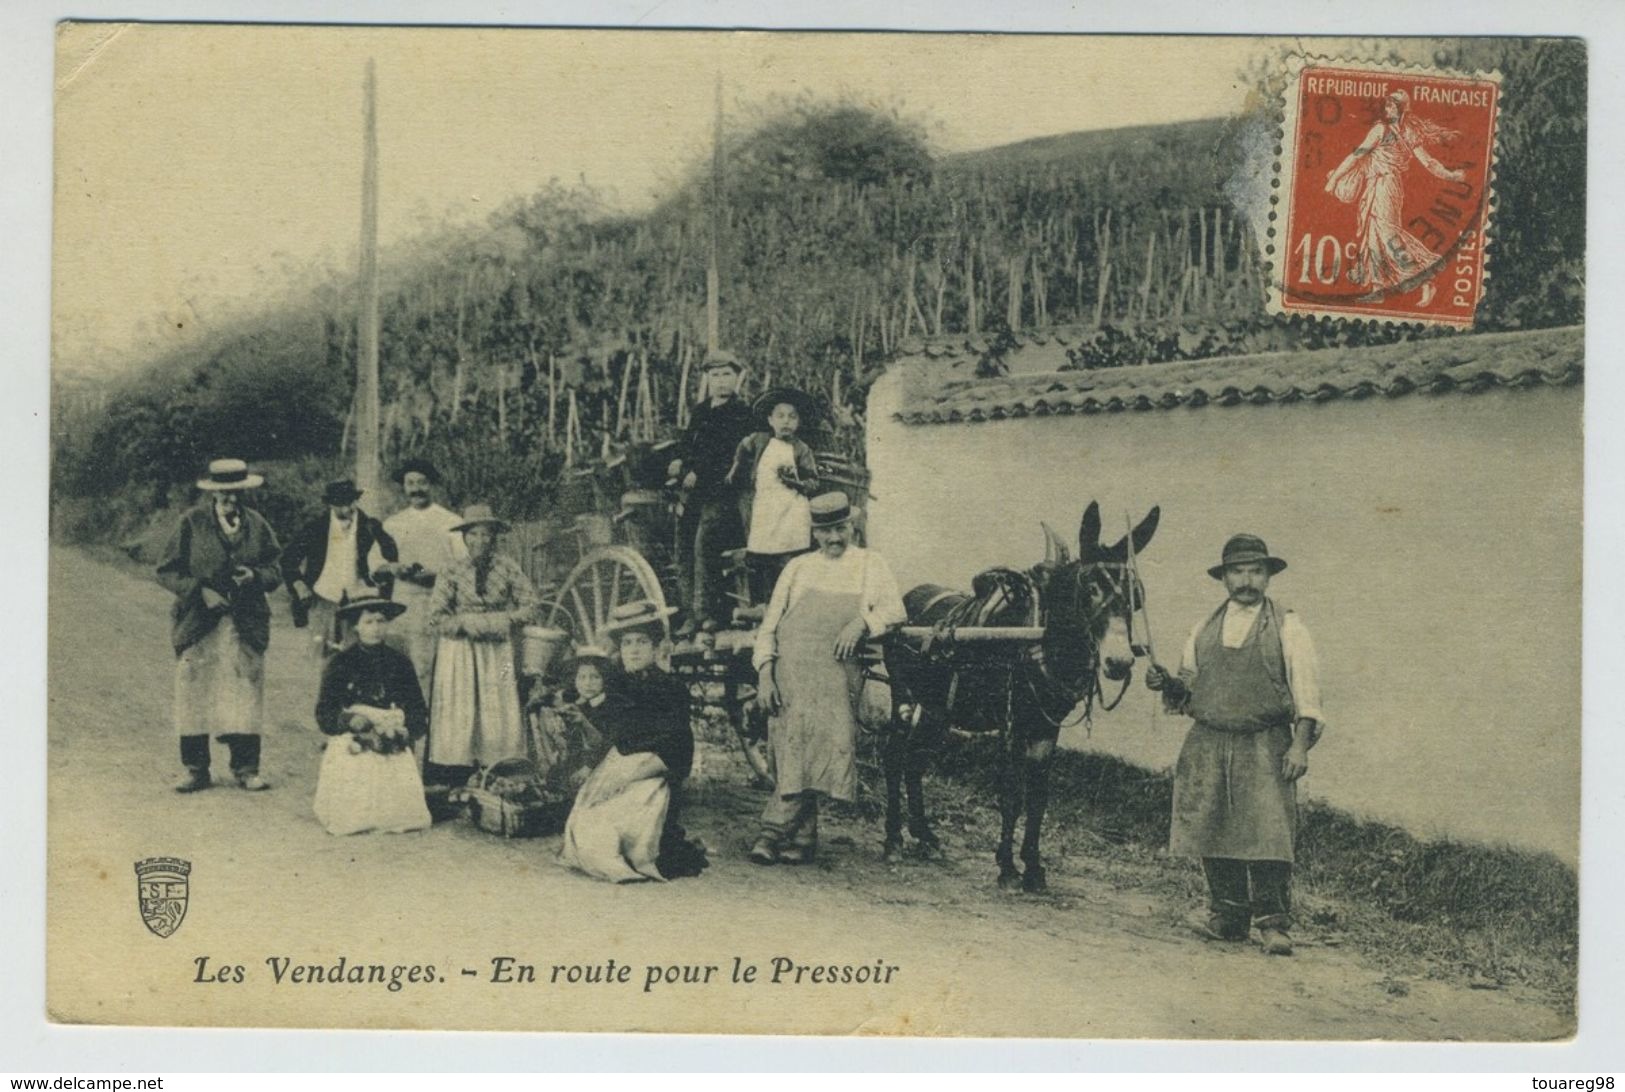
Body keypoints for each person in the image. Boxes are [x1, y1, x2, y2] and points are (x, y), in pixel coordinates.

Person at [1144, 533, 1325, 957]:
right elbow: (1188, 690)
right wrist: (1166, 683)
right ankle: (1227, 917)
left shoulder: (1288, 627)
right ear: (1224, 577)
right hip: (1209, 740)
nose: (1247, 580)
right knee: (1213, 825)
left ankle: (1273, 925)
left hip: (1265, 742)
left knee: (1268, 833)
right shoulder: (1203, 628)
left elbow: (1308, 694)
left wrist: (1298, 748)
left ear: (1268, 575)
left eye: (1256, 571)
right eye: (1238, 571)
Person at [749, 493, 906, 865]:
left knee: (819, 749)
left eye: (841, 528)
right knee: (791, 751)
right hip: (790, 675)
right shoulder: (798, 568)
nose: (835, 538)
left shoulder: (871, 564)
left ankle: (772, 832)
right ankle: (801, 837)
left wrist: (862, 622)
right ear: (814, 533)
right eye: (826, 531)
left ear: (852, 526)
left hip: (835, 676)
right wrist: (764, 674)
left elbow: (895, 610)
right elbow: (769, 626)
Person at [155, 458, 284, 793]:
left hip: (245, 624)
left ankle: (246, 768)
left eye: (236, 493)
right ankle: (196, 769)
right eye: (224, 494)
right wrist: (201, 592)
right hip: (199, 624)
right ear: (213, 494)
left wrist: (255, 576)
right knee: (195, 690)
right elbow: (167, 570)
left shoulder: (257, 525)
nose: (230, 499)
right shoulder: (191, 523)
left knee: (245, 691)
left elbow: (276, 567)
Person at [559, 602, 707, 882]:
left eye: (641, 642)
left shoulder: (671, 689)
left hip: (655, 772)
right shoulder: (616, 686)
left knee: (626, 824)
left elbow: (676, 748)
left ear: (655, 648)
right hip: (619, 763)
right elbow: (609, 735)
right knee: (586, 821)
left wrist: (629, 775)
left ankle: (635, 854)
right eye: (627, 643)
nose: (634, 650)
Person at [425, 504, 537, 787]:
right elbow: (436, 616)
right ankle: (456, 773)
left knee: (501, 698)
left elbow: (531, 605)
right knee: (459, 703)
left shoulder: (508, 567)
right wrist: (465, 623)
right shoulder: (452, 569)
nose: (480, 541)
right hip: (459, 651)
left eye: (486, 535)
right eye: (473, 534)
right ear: (464, 537)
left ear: (494, 537)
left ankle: (497, 768)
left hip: (499, 651)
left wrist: (502, 620)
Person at [1324, 89, 1468, 293]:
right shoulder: (1399, 131)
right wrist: (1452, 176)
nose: (1387, 108)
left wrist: (1335, 179)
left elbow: (1357, 156)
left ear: (1401, 109)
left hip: (1386, 186)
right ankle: (1377, 285)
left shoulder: (1386, 131)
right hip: (1378, 186)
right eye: (1387, 105)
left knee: (1387, 234)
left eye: (1392, 105)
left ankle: (1421, 278)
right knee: (1372, 232)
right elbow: (1358, 156)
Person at [311, 594, 432, 835]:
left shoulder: (400, 663)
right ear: (356, 626)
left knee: (404, 814)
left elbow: (417, 708)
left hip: (391, 737)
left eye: (381, 621)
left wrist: (408, 729)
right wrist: (348, 720)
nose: (376, 628)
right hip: (355, 738)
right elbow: (325, 711)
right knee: (352, 811)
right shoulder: (341, 663)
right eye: (368, 622)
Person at [667, 349, 757, 636]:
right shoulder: (701, 411)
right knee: (682, 546)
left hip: (724, 495)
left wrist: (699, 473)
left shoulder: (742, 413)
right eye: (715, 375)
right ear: (707, 378)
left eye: (726, 375)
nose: (720, 381)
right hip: (695, 495)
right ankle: (690, 612)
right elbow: (687, 444)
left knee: (704, 543)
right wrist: (680, 461)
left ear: (737, 378)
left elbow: (731, 455)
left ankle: (710, 612)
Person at [379, 457, 467, 701]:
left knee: (427, 667)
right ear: (403, 486)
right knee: (397, 664)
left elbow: (463, 566)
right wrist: (393, 568)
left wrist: (435, 575)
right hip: (401, 603)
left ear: (432, 485)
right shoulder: (393, 524)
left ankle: (429, 722)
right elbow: (376, 564)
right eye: (410, 483)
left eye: (422, 483)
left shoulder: (450, 522)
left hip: (435, 602)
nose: (416, 489)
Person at [282, 479, 398, 660]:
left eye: (349, 502)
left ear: (355, 500)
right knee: (323, 657)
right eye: (339, 504)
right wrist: (299, 584)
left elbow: (391, 557)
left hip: (358, 600)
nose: (346, 509)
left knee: (360, 655)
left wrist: (381, 583)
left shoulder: (371, 526)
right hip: (322, 599)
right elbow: (288, 560)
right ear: (330, 504)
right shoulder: (316, 528)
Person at [726, 387, 821, 605]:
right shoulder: (760, 441)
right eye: (780, 416)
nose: (786, 421)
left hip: (792, 510)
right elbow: (742, 446)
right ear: (770, 420)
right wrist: (735, 467)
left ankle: (791, 604)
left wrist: (797, 483)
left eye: (792, 417)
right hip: (765, 508)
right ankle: (760, 606)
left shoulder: (801, 449)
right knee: (758, 556)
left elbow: (813, 480)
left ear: (798, 422)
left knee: (789, 559)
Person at [527, 646, 620, 797]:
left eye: (595, 677)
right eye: (581, 677)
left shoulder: (611, 707)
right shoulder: (579, 704)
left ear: (605, 679)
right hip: (577, 762)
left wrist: (588, 767)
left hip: (603, 764)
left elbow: (609, 743)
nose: (587, 683)